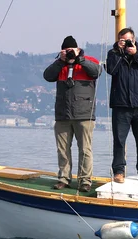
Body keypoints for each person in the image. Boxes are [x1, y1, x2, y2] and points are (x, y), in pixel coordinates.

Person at [43, 35, 101, 192]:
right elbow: (47, 76)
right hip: (63, 114)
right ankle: (64, 178)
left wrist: (79, 58)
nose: (69, 53)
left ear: (77, 49)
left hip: (84, 114)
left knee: (85, 149)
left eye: (71, 50)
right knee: (62, 149)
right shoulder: (59, 65)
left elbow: (97, 72)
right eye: (66, 50)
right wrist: (60, 61)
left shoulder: (88, 61)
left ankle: (85, 180)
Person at [106, 27, 138, 184]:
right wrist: (120, 52)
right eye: (123, 40)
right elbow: (111, 70)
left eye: (129, 40)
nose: (127, 42)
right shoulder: (113, 53)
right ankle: (119, 171)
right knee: (119, 140)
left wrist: (135, 53)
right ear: (119, 40)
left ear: (134, 40)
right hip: (121, 105)